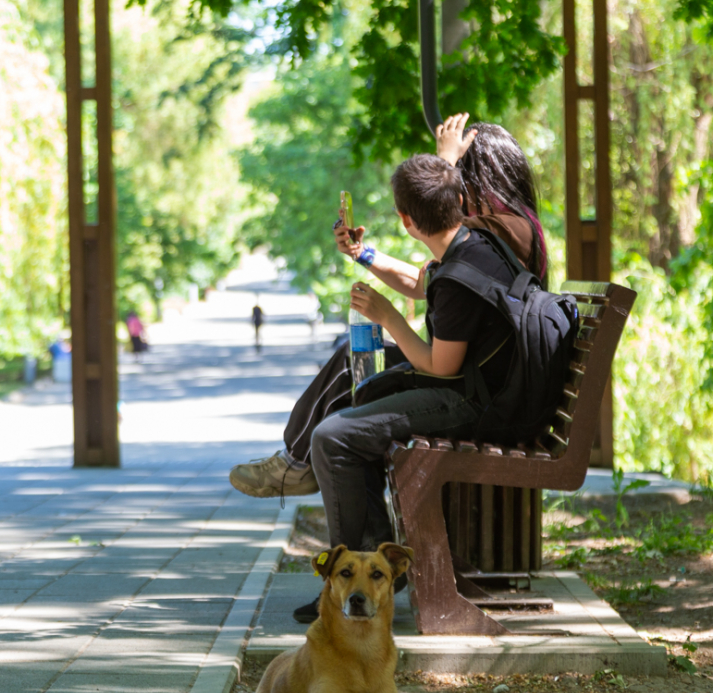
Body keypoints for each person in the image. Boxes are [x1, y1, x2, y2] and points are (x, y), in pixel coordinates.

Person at [228, 115, 546, 500]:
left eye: (457, 170)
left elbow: (439, 352)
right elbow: (421, 283)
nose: (450, 179)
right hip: (468, 376)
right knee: (356, 359)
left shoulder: (505, 231)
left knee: (354, 391)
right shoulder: (484, 237)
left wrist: (443, 163)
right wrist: (363, 254)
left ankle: (298, 465)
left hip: (476, 391)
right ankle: (296, 461)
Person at [289, 153, 530, 622]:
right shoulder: (474, 242)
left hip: (474, 402)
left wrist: (388, 318)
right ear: (460, 200)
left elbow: (440, 366)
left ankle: (359, 579)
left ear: (405, 219)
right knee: (356, 404)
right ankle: (368, 571)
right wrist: (365, 255)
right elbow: (423, 283)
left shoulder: (460, 276)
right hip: (491, 390)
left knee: (333, 437)